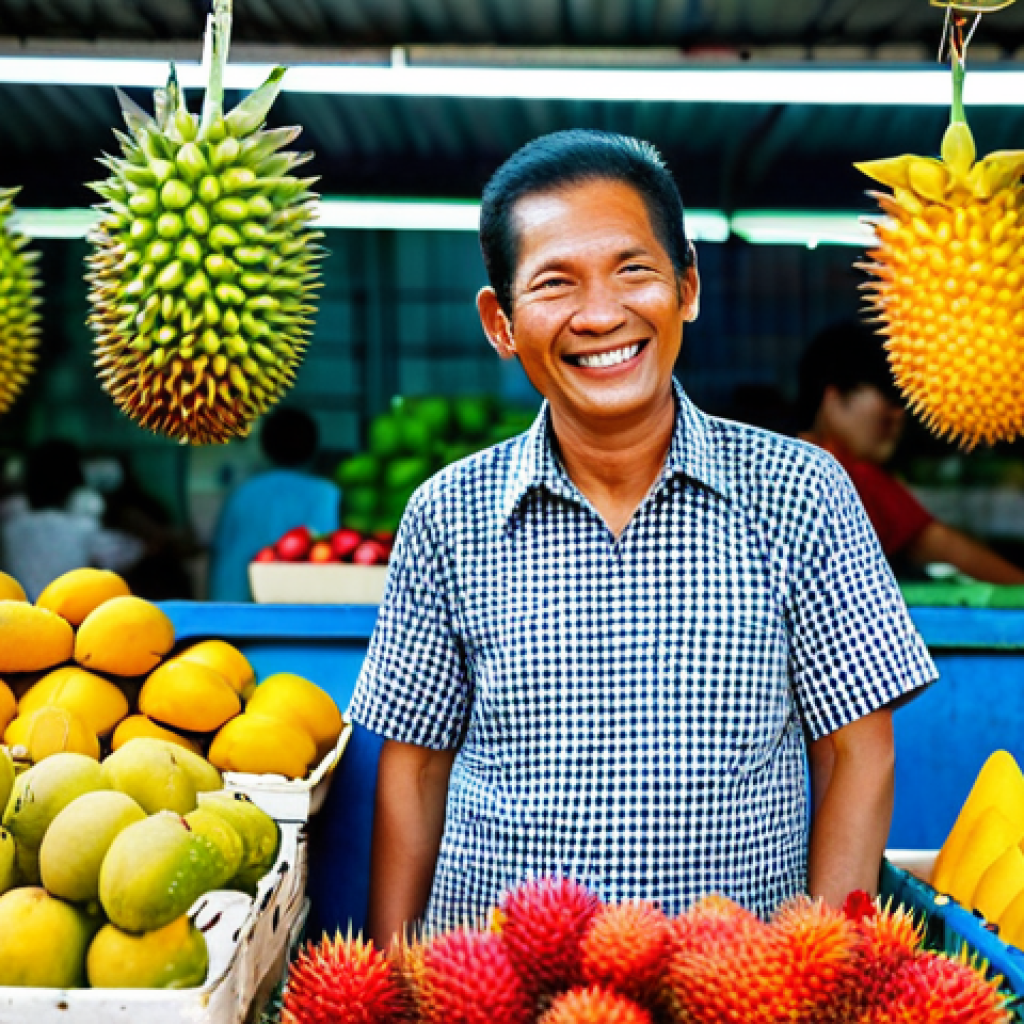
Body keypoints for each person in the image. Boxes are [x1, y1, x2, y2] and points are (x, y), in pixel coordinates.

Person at [348, 130, 937, 946]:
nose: (600, 315)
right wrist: (393, 979)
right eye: (555, 283)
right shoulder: (446, 514)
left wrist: (819, 975)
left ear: (687, 285)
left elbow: (856, 756)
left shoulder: (803, 494)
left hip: (733, 987)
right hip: (494, 990)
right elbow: (413, 770)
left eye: (634, 271)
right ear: (501, 322)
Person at [797, 320, 1024, 584]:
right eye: (891, 398)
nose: (900, 415)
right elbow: (947, 549)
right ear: (834, 399)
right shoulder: (851, 479)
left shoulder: (774, 465)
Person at [207, 407, 340, 602]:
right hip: (304, 615)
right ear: (314, 445)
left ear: (264, 445)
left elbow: (218, 553)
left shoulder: (243, 493)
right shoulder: (326, 494)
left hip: (237, 614)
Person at [0, 440, 142, 600]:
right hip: (68, 614)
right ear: (76, 479)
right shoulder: (84, 528)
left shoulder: (9, 527)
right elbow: (131, 553)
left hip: (18, 613)